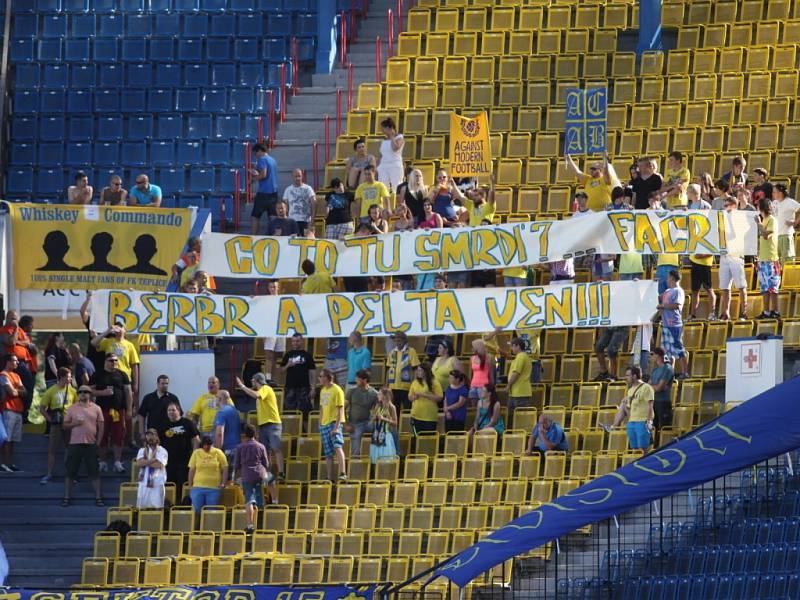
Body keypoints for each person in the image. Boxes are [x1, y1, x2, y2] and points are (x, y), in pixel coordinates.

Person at [62, 385, 105, 506]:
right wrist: (74, 423)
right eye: (80, 392)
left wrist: (98, 442)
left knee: (94, 473)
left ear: (90, 394)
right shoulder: (72, 408)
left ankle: (98, 497)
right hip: (75, 444)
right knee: (70, 472)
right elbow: (64, 425)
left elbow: (101, 426)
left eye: (85, 392)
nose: (82, 394)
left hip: (91, 444)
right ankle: (66, 497)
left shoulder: (96, 408)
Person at [236, 373, 284, 482]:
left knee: (276, 448)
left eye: (253, 381)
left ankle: (281, 472)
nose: (252, 383)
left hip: (273, 423)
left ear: (257, 380)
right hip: (263, 425)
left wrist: (243, 386)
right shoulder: (260, 392)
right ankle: (268, 474)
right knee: (266, 452)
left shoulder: (266, 388)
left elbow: (256, 395)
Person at [90, 353, 133, 473]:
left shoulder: (122, 374)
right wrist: (102, 393)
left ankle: (117, 462)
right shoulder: (97, 374)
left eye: (115, 360)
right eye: (111, 360)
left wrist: (129, 409)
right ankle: (102, 462)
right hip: (101, 410)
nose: (114, 362)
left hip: (118, 411)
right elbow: (89, 391)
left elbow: (128, 393)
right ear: (105, 361)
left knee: (118, 436)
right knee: (102, 436)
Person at [234, 424, 276, 533]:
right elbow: (266, 463)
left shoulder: (240, 447)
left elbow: (236, 465)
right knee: (271, 479)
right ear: (255, 434)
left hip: (247, 476)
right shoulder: (261, 446)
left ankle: (250, 525)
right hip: (260, 474)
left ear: (244, 435)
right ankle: (275, 502)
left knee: (249, 501)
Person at [39, 367, 77, 483]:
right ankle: (49, 473)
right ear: (62, 377)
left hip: (69, 422)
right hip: (56, 423)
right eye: (69, 376)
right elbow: (42, 408)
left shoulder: (72, 391)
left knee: (70, 449)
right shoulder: (51, 390)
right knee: (52, 449)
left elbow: (77, 406)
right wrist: (49, 419)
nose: (70, 378)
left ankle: (70, 474)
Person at [91, 322, 140, 404]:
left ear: (125, 330)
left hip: (124, 378)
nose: (119, 328)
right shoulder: (108, 341)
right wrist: (107, 331)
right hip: (109, 376)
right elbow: (93, 343)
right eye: (117, 327)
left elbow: (134, 365)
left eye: (121, 327)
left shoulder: (130, 345)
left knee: (124, 403)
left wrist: (135, 384)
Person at [608, 366, 655, 450]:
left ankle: (614, 426)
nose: (626, 378)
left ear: (635, 376)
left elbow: (650, 405)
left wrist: (649, 421)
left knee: (642, 449)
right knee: (634, 450)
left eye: (628, 375)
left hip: (642, 421)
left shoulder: (646, 387)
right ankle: (614, 426)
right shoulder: (630, 390)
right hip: (632, 422)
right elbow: (631, 409)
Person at [718, 197, 749, 320]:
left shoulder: (740, 218)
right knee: (725, 287)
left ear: (734, 206)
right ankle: (725, 313)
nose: (725, 208)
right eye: (724, 205)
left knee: (741, 286)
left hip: (736, 255)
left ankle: (744, 313)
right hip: (724, 255)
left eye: (727, 205)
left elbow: (735, 235)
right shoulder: (722, 218)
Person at [0, 310, 37, 410]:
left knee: (27, 386)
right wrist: (16, 329)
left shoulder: (20, 330)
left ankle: (24, 413)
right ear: (7, 318)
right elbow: (11, 342)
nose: (14, 321)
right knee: (24, 383)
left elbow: (27, 342)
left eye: (15, 319)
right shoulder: (4, 330)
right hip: (12, 361)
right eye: (12, 318)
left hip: (24, 362)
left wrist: (17, 341)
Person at [161, 401, 198, 499]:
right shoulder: (163, 424)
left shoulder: (187, 423)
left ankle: (181, 505)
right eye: (169, 410)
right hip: (168, 461)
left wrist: (194, 456)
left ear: (179, 411)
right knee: (169, 484)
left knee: (182, 484)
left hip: (184, 460)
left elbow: (196, 440)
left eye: (173, 410)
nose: (171, 412)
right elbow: (158, 443)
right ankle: (169, 507)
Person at [658, 270, 689, 379]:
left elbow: (677, 305)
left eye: (668, 277)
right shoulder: (667, 291)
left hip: (674, 325)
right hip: (666, 325)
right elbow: (658, 297)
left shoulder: (678, 291)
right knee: (667, 350)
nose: (666, 279)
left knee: (679, 348)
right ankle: (670, 373)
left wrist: (663, 306)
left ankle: (685, 372)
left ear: (672, 278)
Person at [318, 369, 347, 481]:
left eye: (321, 376)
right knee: (328, 453)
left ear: (326, 377)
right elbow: (321, 408)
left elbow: (340, 409)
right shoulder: (322, 390)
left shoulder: (337, 390)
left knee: (337, 446)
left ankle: (343, 472)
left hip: (334, 422)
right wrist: (320, 423)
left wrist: (336, 427)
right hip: (324, 424)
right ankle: (329, 477)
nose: (319, 378)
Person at [0, 355, 27, 472]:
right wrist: (17, 391)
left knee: (13, 440)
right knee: (7, 438)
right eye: (15, 361)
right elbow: (12, 393)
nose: (17, 363)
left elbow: (25, 392)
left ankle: (9, 463)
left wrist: (17, 391)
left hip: (18, 410)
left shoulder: (16, 375)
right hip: (8, 409)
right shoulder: (3, 375)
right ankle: (4, 463)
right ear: (8, 362)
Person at [187, 435, 228, 511]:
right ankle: (197, 523)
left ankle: (210, 523)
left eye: (208, 445)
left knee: (211, 511)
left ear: (211, 444)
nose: (206, 447)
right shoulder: (196, 453)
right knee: (196, 509)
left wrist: (223, 484)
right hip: (197, 487)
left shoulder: (218, 452)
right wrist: (190, 486)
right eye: (204, 445)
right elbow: (191, 470)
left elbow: (225, 469)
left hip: (214, 488)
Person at [756, 197, 782, 319]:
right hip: (763, 259)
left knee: (773, 288)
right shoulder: (765, 220)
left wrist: (759, 223)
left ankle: (775, 311)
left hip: (771, 260)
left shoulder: (772, 220)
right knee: (764, 288)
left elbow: (767, 236)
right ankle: (766, 311)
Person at [281, 334, 316, 417]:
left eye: (297, 341)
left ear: (302, 341)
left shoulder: (307, 355)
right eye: (293, 341)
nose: (295, 343)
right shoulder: (287, 355)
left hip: (304, 388)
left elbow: (313, 372)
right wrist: (287, 365)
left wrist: (313, 388)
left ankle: (305, 430)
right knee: (289, 413)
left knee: (305, 413)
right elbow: (280, 371)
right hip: (290, 387)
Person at [346, 369, 378, 456]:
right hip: (355, 424)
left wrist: (373, 420)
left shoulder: (374, 393)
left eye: (358, 379)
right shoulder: (351, 391)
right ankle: (355, 464)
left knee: (381, 431)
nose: (356, 380)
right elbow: (343, 409)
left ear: (365, 380)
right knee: (356, 446)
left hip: (368, 422)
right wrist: (347, 424)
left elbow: (377, 410)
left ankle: (375, 458)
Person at [386, 331, 420, 411]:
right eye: (395, 341)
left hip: (406, 387)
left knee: (407, 409)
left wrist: (414, 385)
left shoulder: (411, 351)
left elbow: (415, 369)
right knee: (394, 409)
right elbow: (388, 369)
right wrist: (386, 384)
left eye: (399, 340)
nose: (397, 343)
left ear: (405, 341)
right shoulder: (392, 352)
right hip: (393, 387)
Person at [249, 142, 278, 234]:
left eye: (256, 153)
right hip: (274, 193)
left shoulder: (262, 159)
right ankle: (273, 237)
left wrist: (253, 179)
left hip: (263, 193)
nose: (255, 156)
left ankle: (253, 237)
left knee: (255, 217)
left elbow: (264, 175)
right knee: (272, 217)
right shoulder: (273, 160)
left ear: (260, 151)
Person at [135, 429, 168, 509]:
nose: (150, 438)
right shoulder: (142, 450)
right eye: (148, 436)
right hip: (143, 484)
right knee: (142, 510)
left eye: (152, 435)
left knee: (157, 510)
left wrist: (146, 461)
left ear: (157, 437)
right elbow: (139, 463)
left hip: (157, 484)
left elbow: (159, 465)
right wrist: (152, 460)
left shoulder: (162, 450)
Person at [408, 363, 442, 437]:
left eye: (420, 370)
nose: (418, 372)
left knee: (428, 438)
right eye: (418, 370)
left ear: (426, 371)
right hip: (416, 415)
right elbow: (409, 397)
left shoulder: (435, 382)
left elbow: (439, 398)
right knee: (417, 438)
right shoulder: (415, 382)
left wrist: (424, 395)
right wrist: (413, 397)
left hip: (429, 417)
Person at [771, 183, 800, 268]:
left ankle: (788, 280)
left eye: (774, 192)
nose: (772, 194)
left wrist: (795, 222)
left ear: (780, 192)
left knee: (787, 261)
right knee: (776, 263)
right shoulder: (774, 202)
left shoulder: (789, 202)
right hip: (775, 236)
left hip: (785, 235)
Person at [506, 337, 533, 428]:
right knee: (516, 418)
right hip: (517, 392)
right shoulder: (522, 357)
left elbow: (516, 373)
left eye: (513, 346)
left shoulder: (521, 357)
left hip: (520, 393)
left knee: (519, 419)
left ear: (518, 346)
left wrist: (508, 385)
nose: (511, 348)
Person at [283, 168, 316, 236]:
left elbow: (314, 204)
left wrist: (312, 221)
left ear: (302, 176)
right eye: (296, 176)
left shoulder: (308, 188)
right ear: (292, 177)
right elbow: (285, 207)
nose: (298, 178)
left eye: (299, 176)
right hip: (292, 222)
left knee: (307, 242)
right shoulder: (288, 190)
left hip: (306, 222)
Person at [369, 387, 398, 464]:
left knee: (386, 460)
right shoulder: (378, 406)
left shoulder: (391, 407)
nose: (377, 395)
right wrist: (374, 418)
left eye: (379, 394)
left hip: (386, 435)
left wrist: (383, 419)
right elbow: (372, 421)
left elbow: (395, 423)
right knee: (375, 460)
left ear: (384, 396)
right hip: (377, 435)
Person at [376, 117, 405, 191]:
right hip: (383, 166)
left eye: (383, 128)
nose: (382, 131)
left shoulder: (399, 137)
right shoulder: (384, 140)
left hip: (395, 166)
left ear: (390, 128)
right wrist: (376, 166)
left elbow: (395, 148)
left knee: (397, 188)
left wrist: (392, 136)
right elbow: (382, 155)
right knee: (383, 188)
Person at [649, 348, 674, 430]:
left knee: (664, 428)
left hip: (663, 403)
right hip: (654, 402)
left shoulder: (667, 368)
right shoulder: (655, 370)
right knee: (653, 429)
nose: (651, 357)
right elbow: (648, 387)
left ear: (657, 355)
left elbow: (659, 387)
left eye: (652, 354)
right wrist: (654, 387)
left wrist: (652, 387)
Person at [213, 390, 242, 463]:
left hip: (227, 450)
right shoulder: (235, 411)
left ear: (220, 399)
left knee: (225, 473)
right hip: (237, 448)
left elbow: (219, 433)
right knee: (233, 473)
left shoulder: (222, 412)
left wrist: (218, 451)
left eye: (216, 397)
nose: (214, 399)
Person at [468, 339, 494, 403]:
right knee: (473, 404)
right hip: (473, 385)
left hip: (483, 386)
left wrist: (492, 386)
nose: (472, 349)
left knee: (483, 404)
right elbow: (471, 373)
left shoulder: (489, 357)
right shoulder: (472, 358)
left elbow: (491, 373)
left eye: (473, 347)